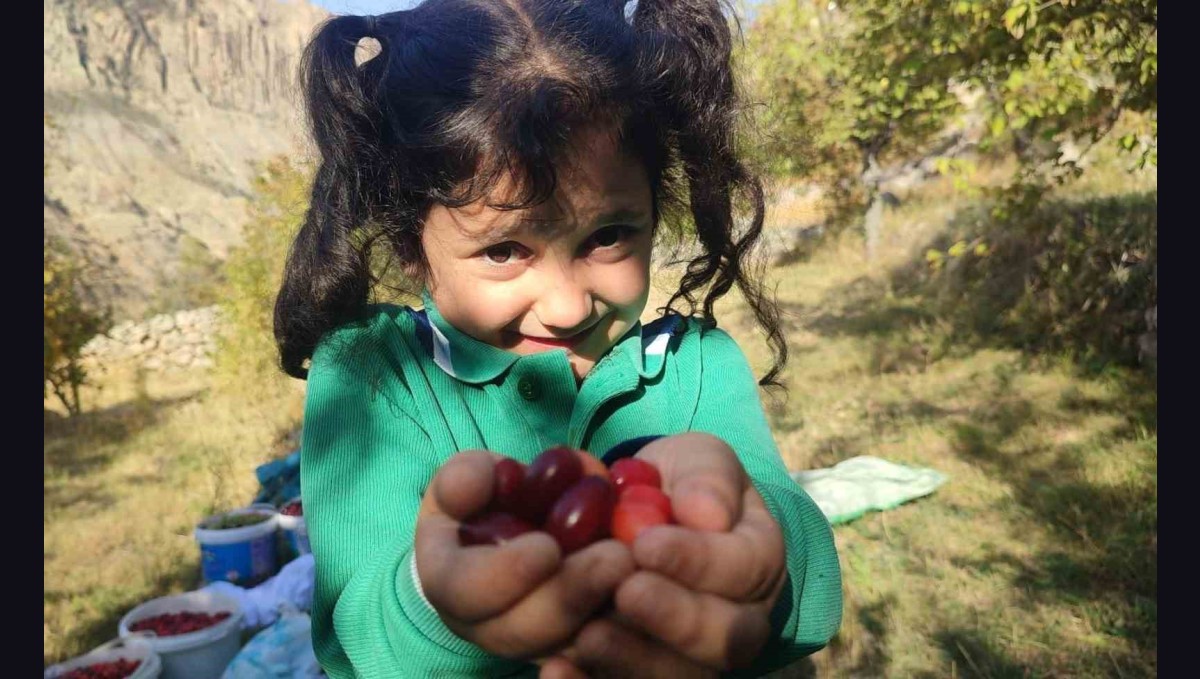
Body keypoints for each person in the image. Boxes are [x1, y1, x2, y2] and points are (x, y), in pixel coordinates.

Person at [274, 0, 842, 676]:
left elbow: (812, 596)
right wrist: (441, 602)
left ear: (656, 212)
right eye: (505, 250)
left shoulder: (696, 368)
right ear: (409, 244)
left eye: (607, 236)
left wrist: (763, 554)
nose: (568, 306)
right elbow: (356, 637)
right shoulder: (373, 378)